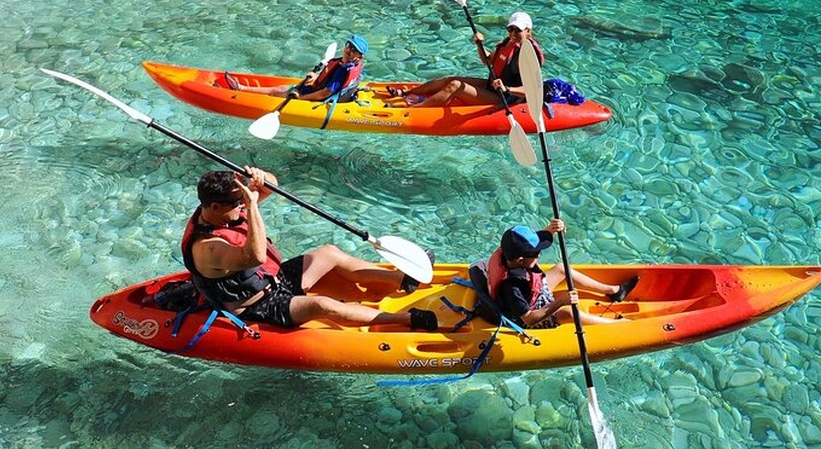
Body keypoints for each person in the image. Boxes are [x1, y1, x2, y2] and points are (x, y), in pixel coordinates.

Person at [180, 166, 437, 331]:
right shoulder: (209, 248)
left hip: (274, 280)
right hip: (259, 305)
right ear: (215, 207)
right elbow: (256, 256)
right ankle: (408, 318)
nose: (242, 207)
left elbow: (273, 185)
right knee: (322, 306)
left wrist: (259, 177)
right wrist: (253, 204)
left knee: (329, 252)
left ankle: (402, 278)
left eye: (242, 201)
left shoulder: (226, 212)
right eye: (238, 202)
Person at [469, 219, 639, 329]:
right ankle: (617, 325)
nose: (540, 255)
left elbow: (533, 241)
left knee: (561, 268)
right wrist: (560, 302)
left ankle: (614, 291)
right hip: (525, 316)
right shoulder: (512, 287)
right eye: (536, 253)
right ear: (521, 260)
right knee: (569, 313)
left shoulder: (509, 251)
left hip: (532, 294)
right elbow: (529, 319)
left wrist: (551, 229)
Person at [385, 12, 544, 107]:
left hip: (505, 98)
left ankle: (415, 110)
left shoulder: (529, 54)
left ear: (528, 31)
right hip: (492, 86)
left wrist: (508, 89)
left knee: (455, 86)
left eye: (518, 30)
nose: (513, 33)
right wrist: (479, 45)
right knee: (451, 79)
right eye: (511, 29)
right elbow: (488, 61)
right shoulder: (508, 43)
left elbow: (533, 89)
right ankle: (405, 93)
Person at [223, 34, 368, 101]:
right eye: (349, 46)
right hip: (317, 89)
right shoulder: (351, 65)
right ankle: (242, 88)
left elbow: (324, 93)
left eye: (354, 50)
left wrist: (302, 97)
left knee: (276, 92)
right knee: (280, 88)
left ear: (359, 56)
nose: (349, 50)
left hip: (316, 96)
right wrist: (316, 77)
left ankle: (240, 90)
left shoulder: (342, 72)